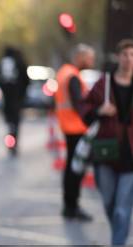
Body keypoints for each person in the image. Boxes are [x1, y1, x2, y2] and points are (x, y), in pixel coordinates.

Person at [81, 39, 133, 247]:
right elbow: (84, 110)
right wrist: (99, 111)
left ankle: (118, 246)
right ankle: (119, 235)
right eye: (125, 54)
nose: (129, 59)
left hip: (131, 154)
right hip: (106, 152)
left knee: (122, 206)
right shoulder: (104, 83)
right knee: (109, 202)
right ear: (118, 57)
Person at [56, 44, 96, 221]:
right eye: (89, 58)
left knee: (71, 167)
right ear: (80, 57)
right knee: (76, 168)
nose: (91, 62)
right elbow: (78, 104)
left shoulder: (64, 72)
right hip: (76, 127)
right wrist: (93, 118)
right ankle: (72, 206)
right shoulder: (72, 76)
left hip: (68, 126)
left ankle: (69, 205)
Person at [0, 46, 30, 155]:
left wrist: (3, 88)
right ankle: (13, 143)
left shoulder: (0, 62)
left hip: (6, 99)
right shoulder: (19, 61)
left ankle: (10, 142)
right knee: (15, 123)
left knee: (9, 123)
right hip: (17, 98)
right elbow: (26, 80)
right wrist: (22, 94)